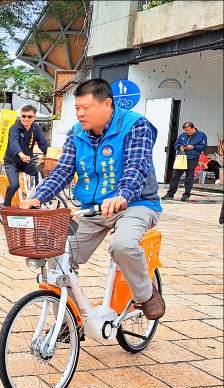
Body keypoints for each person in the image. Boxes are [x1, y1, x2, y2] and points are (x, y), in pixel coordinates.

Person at [20, 78, 165, 320]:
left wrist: (122, 195)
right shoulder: (77, 133)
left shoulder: (135, 126)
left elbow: (136, 168)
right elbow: (64, 170)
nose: (80, 114)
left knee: (123, 246)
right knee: (58, 254)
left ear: (107, 104)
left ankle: (146, 294)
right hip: (93, 209)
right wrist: (37, 197)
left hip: (135, 204)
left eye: (86, 108)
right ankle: (68, 321)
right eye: (77, 108)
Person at [2, 105, 50, 206]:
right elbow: (14, 143)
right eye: (24, 116)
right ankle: (6, 205)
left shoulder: (36, 129)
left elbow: (44, 144)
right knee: (15, 184)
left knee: (41, 175)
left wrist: (51, 155)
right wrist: (21, 154)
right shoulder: (14, 128)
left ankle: (36, 200)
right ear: (21, 116)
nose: (26, 119)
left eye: (29, 116)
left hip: (27, 162)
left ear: (34, 118)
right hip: (12, 162)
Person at [162, 122, 208, 202]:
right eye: (186, 131)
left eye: (189, 130)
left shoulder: (201, 135)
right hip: (181, 158)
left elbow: (204, 147)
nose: (187, 132)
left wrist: (193, 147)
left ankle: (186, 195)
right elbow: (176, 144)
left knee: (189, 177)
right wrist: (180, 147)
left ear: (194, 128)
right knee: (175, 176)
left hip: (192, 158)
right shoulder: (183, 135)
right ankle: (170, 194)